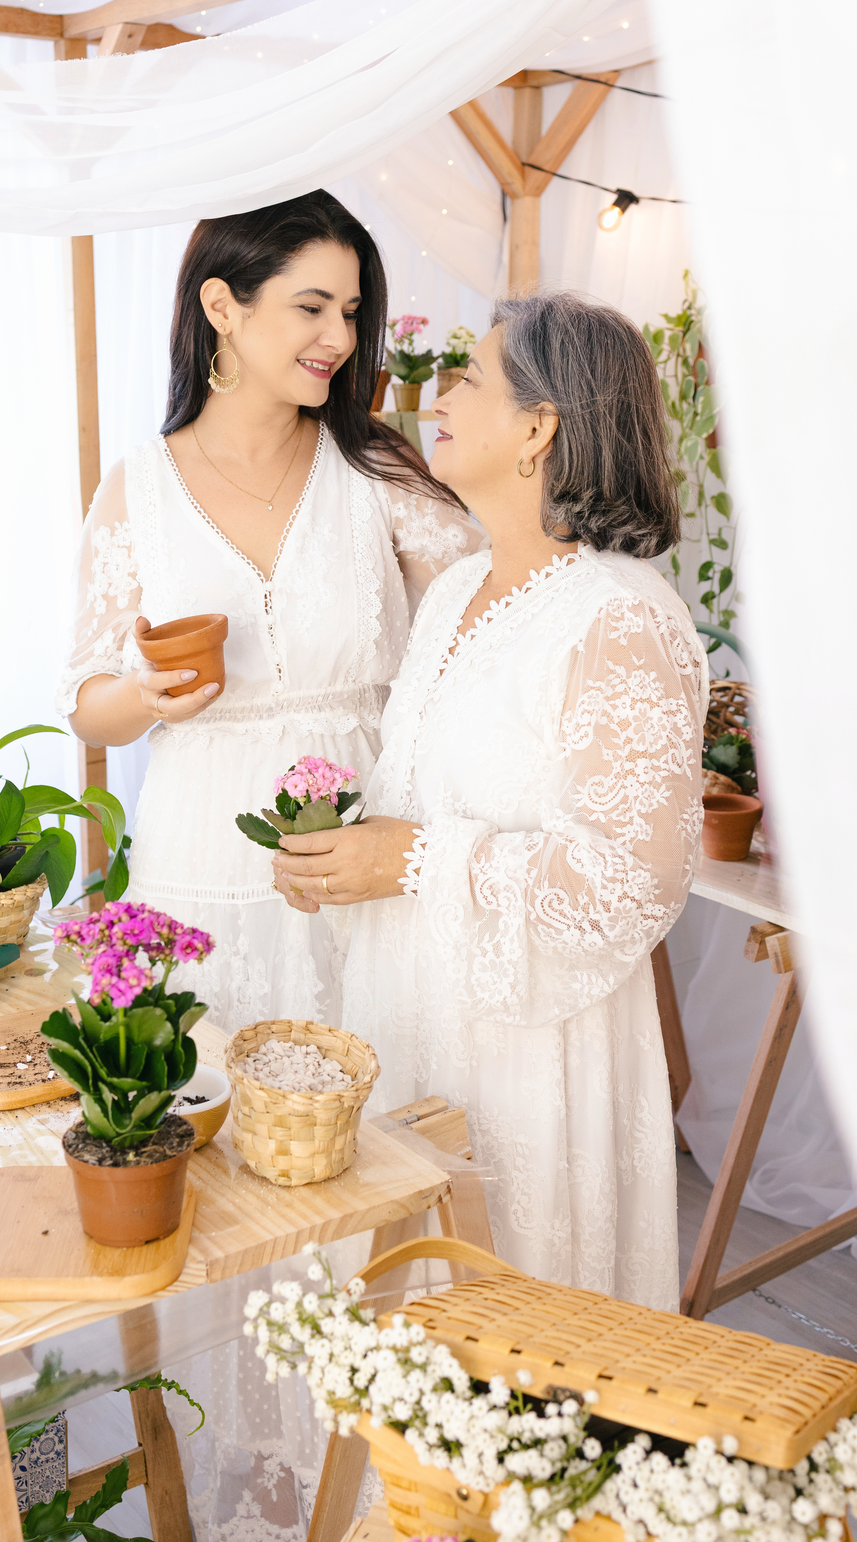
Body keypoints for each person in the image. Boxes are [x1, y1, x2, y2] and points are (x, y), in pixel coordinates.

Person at [272, 291, 708, 1308]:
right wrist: (340, 858)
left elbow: (632, 885)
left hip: (531, 1061)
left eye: (470, 377)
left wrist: (412, 858)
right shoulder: (459, 591)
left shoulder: (620, 618)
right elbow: (408, 801)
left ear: (540, 427)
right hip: (410, 1027)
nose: (440, 396)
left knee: (504, 1363)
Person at [59, 191, 481, 1030]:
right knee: (210, 1109)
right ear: (222, 306)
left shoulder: (373, 464)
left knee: (373, 1117)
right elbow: (87, 710)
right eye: (312, 308)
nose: (342, 339)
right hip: (199, 858)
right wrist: (145, 692)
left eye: (352, 312)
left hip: (357, 849)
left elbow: (492, 611)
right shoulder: (136, 489)